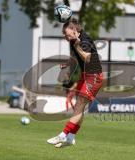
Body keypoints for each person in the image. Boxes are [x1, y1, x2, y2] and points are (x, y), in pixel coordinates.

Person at [47, 18, 103, 147]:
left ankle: (63, 135)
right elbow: (76, 57)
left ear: (74, 30)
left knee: (78, 107)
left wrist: (77, 45)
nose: (64, 36)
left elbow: (87, 58)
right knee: (79, 108)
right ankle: (71, 137)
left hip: (94, 77)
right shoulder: (73, 40)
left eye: (66, 34)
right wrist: (68, 63)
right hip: (86, 76)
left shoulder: (84, 40)